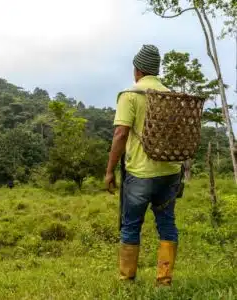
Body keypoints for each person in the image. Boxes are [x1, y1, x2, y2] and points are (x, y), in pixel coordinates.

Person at [105, 45, 182, 286]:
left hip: (140, 173)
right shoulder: (171, 96)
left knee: (131, 225)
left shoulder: (131, 95)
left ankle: (127, 280)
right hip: (171, 172)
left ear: (137, 70)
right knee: (167, 224)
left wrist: (109, 171)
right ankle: (164, 280)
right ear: (155, 71)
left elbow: (120, 134)